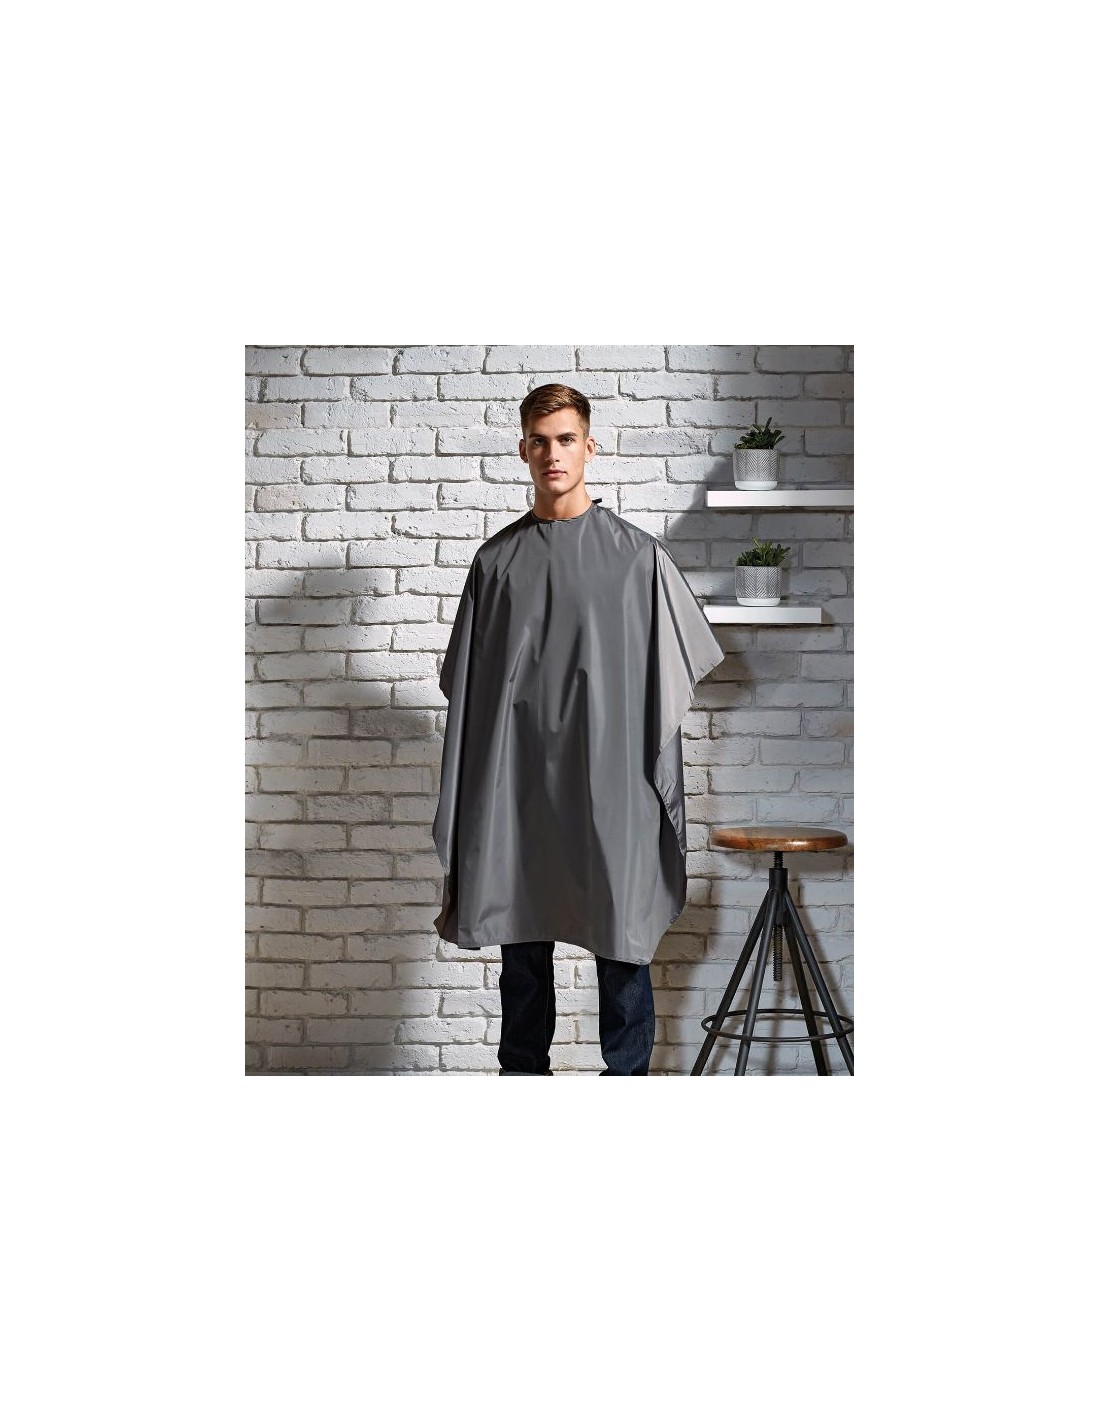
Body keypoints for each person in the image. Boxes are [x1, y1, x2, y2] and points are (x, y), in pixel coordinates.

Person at [432, 383, 724, 1075]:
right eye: (540, 441)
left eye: (566, 439)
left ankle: (626, 1083)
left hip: (611, 781)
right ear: (523, 450)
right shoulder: (494, 564)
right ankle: (522, 1077)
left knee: (621, 943)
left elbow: (671, 676)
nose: (553, 454)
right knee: (521, 944)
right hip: (518, 787)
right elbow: (471, 693)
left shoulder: (636, 558)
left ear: (590, 446)